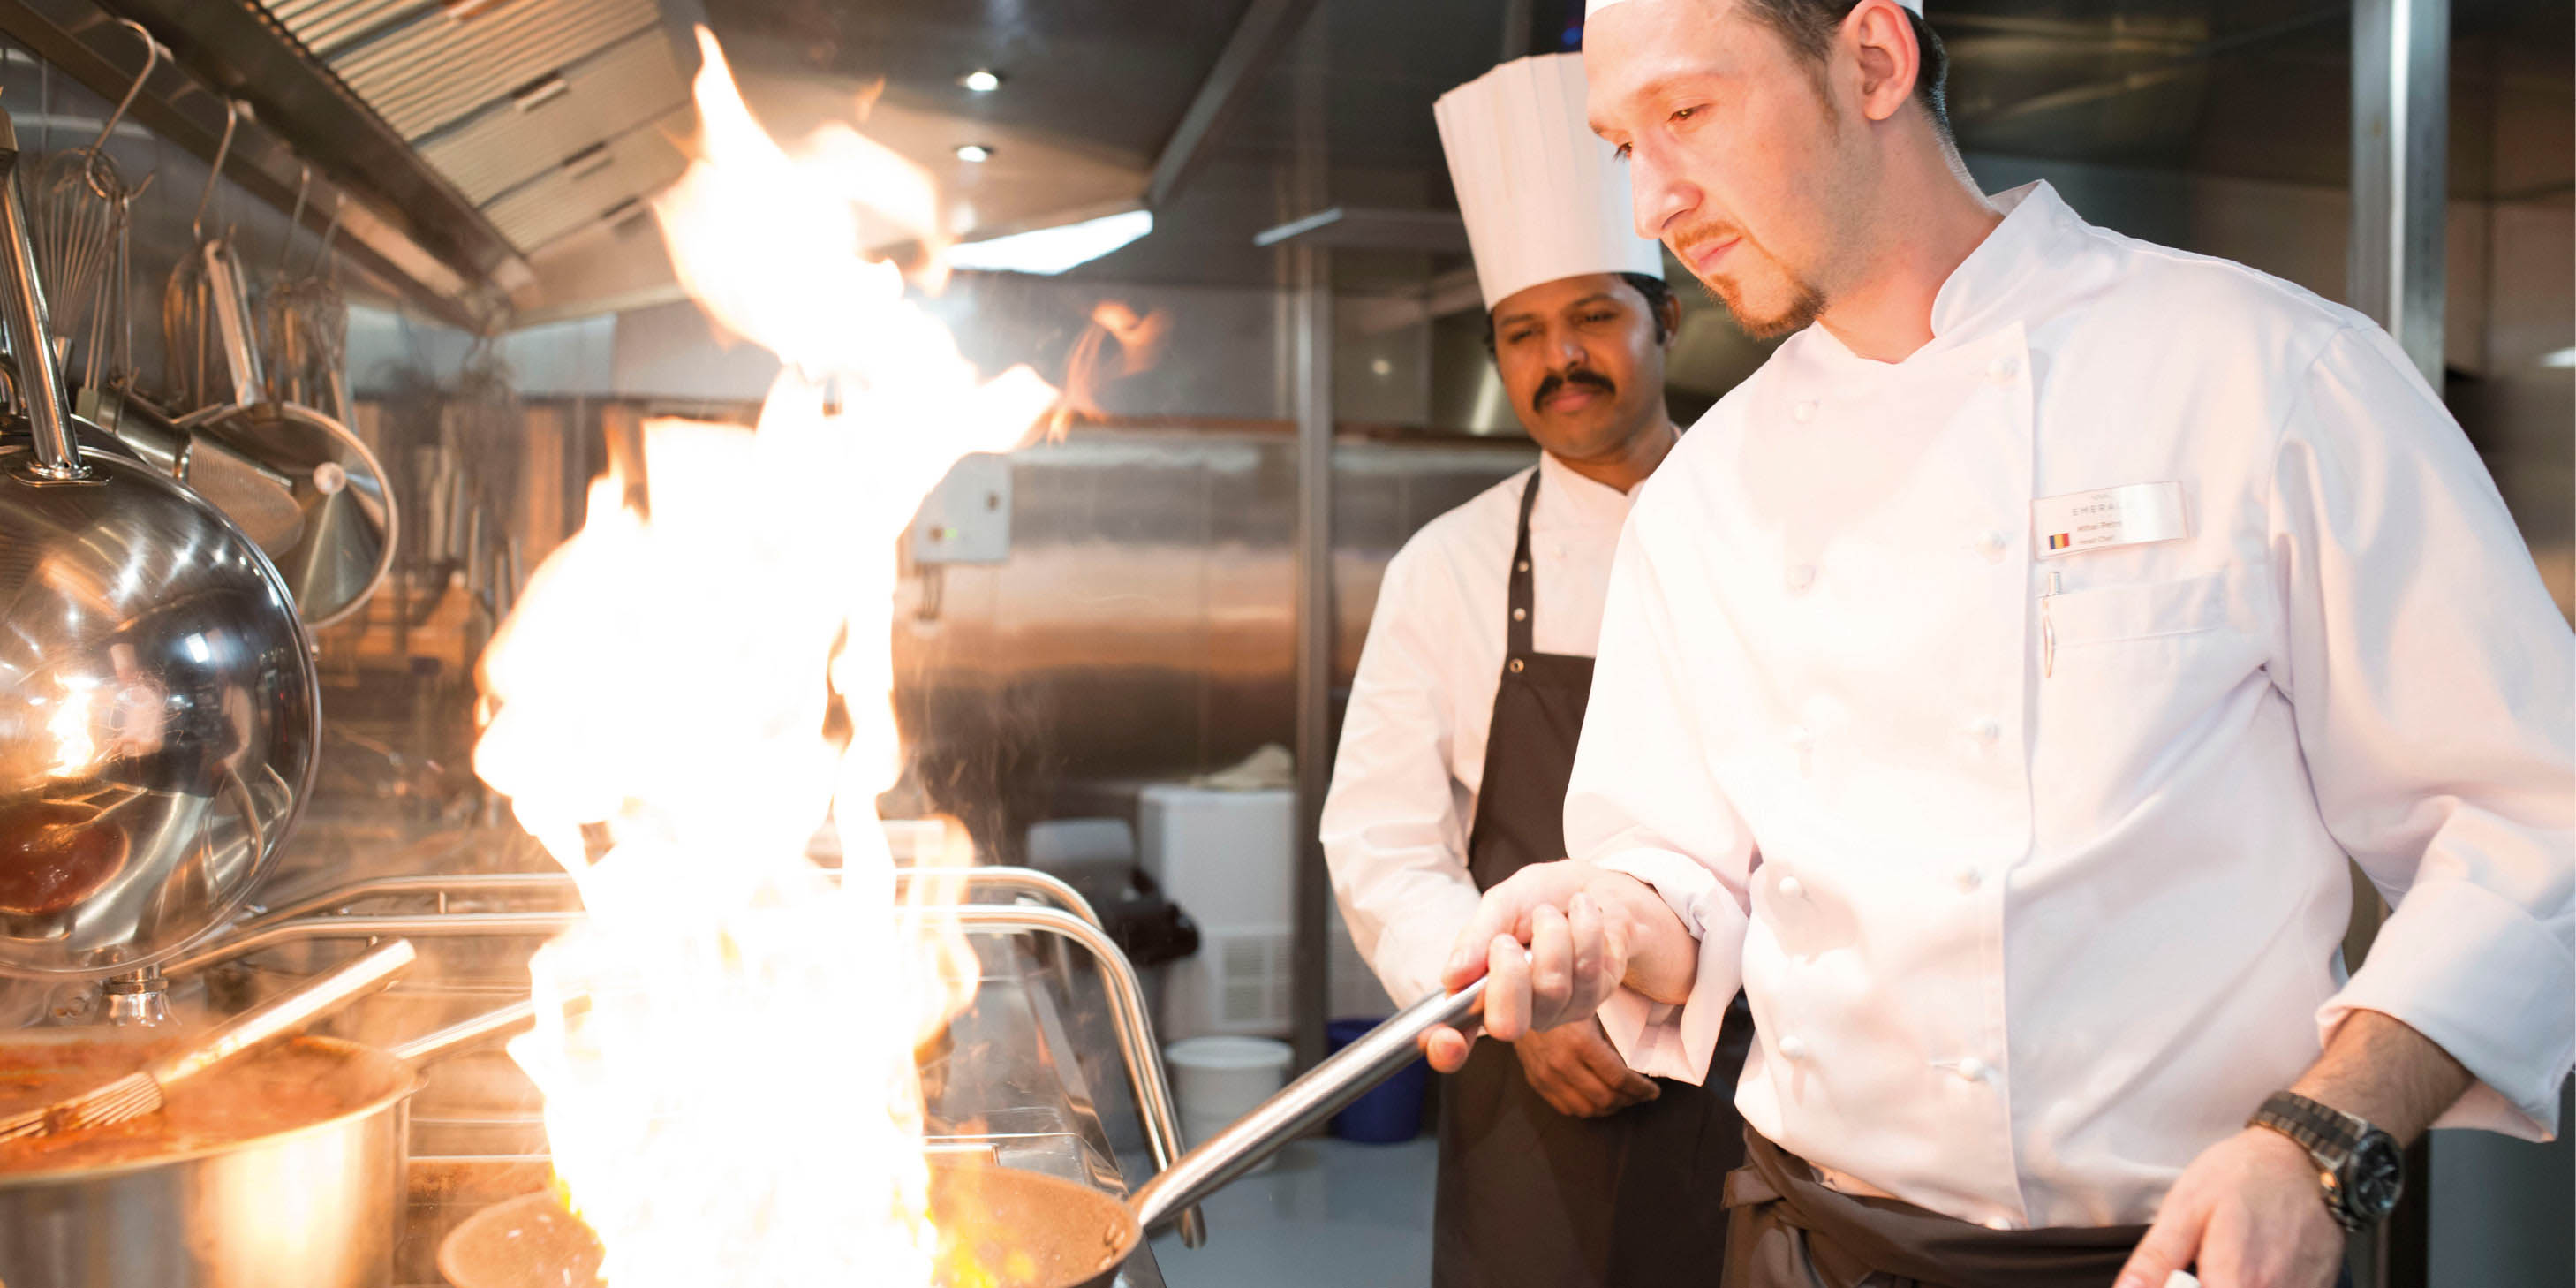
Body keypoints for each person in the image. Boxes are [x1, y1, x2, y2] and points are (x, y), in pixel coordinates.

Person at [1420, 4, 2576, 1287]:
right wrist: (1601, 916)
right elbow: (1687, 876)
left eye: (1685, 115)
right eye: (1619, 144)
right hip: (1812, 1247)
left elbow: (2528, 820)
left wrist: (2315, 1137)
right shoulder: (1706, 493)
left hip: (2189, 1255)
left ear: (1870, 61)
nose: (1650, 203)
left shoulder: (2268, 375)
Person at [1321, 50, 1756, 1288]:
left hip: (1754, 1073)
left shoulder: (1771, 523)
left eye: (1591, 318)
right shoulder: (1447, 568)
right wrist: (1502, 1000)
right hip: (1528, 1086)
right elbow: (1381, 843)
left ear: (1664, 317)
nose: (1558, 357)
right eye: (1523, 333)